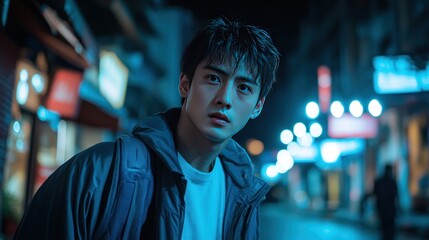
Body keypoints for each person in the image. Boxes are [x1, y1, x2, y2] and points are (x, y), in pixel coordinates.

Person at [13, 17, 280, 239]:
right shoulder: (100, 172)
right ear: (185, 84)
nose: (226, 98)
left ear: (258, 106)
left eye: (244, 87)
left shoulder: (242, 194)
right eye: (213, 78)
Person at [373, 164, 400, 240]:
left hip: (382, 210)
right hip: (390, 210)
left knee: (384, 231)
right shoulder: (392, 182)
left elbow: (375, 195)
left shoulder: (379, 181)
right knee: (390, 231)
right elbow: (397, 196)